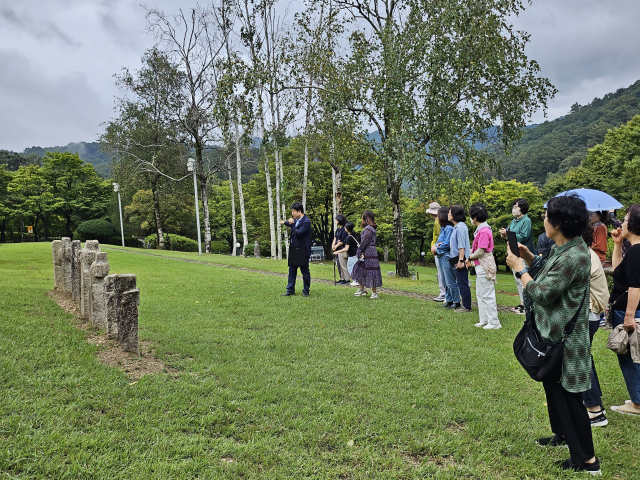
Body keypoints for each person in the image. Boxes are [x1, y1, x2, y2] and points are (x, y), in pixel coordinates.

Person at [506, 194, 600, 474]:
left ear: (557, 223)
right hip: (554, 334)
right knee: (554, 389)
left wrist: (519, 269)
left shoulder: (574, 255)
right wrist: (530, 257)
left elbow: (544, 293)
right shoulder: (565, 248)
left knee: (570, 398)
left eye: (547, 216)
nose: (543, 220)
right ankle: (562, 435)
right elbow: (549, 275)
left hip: (566, 340)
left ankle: (588, 461)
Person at [608, 204, 640, 416]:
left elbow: (635, 286)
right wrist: (618, 244)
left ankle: (637, 403)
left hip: (631, 312)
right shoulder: (634, 249)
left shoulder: (638, 251)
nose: (622, 223)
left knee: (631, 357)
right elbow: (618, 270)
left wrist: (629, 316)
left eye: (626, 219)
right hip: (631, 310)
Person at [581, 226, 610, 427]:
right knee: (584, 357)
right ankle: (594, 403)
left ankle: (595, 411)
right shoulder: (585, 252)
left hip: (588, 313)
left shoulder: (582, 254)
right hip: (591, 313)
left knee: (580, 359)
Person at [467, 204, 501, 329]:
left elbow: (480, 252)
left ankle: (494, 322)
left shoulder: (484, 231)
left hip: (484, 265)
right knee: (480, 294)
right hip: (479, 265)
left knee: (487, 293)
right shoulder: (481, 230)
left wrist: (469, 257)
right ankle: (484, 319)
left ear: (475, 218)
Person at [500, 198, 534, 315]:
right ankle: (522, 303)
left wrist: (509, 234)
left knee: (524, 278)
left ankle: (527, 305)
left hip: (523, 254)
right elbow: (511, 235)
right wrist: (505, 234)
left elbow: (524, 236)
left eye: (516, 206)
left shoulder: (526, 220)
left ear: (522, 208)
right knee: (517, 280)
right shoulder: (514, 221)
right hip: (514, 253)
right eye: (513, 206)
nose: (514, 208)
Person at [280, 202, 312, 297]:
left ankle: (306, 290)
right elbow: (292, 225)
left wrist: (292, 224)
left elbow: (299, 232)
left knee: (304, 270)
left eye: (294, 212)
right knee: (292, 270)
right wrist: (285, 222)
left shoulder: (306, 221)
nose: (292, 214)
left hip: (303, 250)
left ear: (299, 211)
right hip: (294, 249)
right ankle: (290, 290)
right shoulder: (296, 220)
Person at [351, 210, 383, 299]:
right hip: (369, 251)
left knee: (370, 270)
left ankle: (374, 293)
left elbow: (365, 241)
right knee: (361, 269)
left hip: (369, 251)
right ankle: (362, 290)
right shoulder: (371, 228)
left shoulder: (368, 229)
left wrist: (359, 250)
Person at [449, 205, 472, 313]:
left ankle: (466, 306)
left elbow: (461, 245)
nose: (448, 215)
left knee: (463, 282)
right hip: (456, 258)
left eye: (450, 213)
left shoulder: (461, 227)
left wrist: (461, 260)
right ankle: (465, 305)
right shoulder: (456, 227)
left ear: (455, 214)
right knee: (460, 282)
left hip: (460, 258)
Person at [435, 207, 459, 309]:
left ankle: (456, 301)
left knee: (450, 280)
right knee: (444, 280)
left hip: (446, 256)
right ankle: (449, 300)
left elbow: (446, 244)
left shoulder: (449, 228)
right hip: (441, 256)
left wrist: (436, 248)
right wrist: (437, 246)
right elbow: (438, 242)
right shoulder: (443, 228)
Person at [427, 202, 447, 302]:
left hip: (439, 249)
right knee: (441, 272)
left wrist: (434, 247)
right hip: (437, 247)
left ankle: (444, 293)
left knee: (442, 272)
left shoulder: (438, 222)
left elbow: (438, 236)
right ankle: (444, 293)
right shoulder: (438, 221)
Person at [334, 222, 360, 286]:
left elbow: (346, 248)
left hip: (353, 254)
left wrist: (337, 251)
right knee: (353, 267)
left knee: (350, 267)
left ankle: (355, 280)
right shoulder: (353, 234)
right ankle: (357, 280)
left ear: (347, 229)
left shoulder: (348, 237)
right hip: (355, 254)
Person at [332, 214, 350, 285]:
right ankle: (342, 278)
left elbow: (342, 241)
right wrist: (333, 245)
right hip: (337, 249)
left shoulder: (344, 229)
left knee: (343, 264)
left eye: (336, 220)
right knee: (339, 265)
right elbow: (335, 238)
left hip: (341, 249)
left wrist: (336, 246)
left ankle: (347, 279)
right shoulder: (338, 229)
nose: (335, 221)